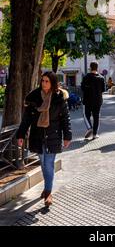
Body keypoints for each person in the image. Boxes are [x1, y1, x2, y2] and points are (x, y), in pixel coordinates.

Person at [16, 71, 72, 207]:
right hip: (37, 136)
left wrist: (67, 136)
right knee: (43, 163)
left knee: (49, 164)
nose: (44, 83)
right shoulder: (34, 97)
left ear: (52, 83)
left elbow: (65, 119)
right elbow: (26, 119)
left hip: (53, 135)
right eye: (43, 81)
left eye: (47, 81)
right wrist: (21, 134)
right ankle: (47, 188)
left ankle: (48, 193)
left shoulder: (59, 98)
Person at [81, 61, 106, 139]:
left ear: (90, 67)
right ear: (97, 67)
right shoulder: (101, 78)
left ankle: (89, 128)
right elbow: (103, 90)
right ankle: (95, 134)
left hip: (87, 100)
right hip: (98, 100)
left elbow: (82, 88)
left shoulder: (86, 77)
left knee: (86, 115)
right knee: (96, 117)